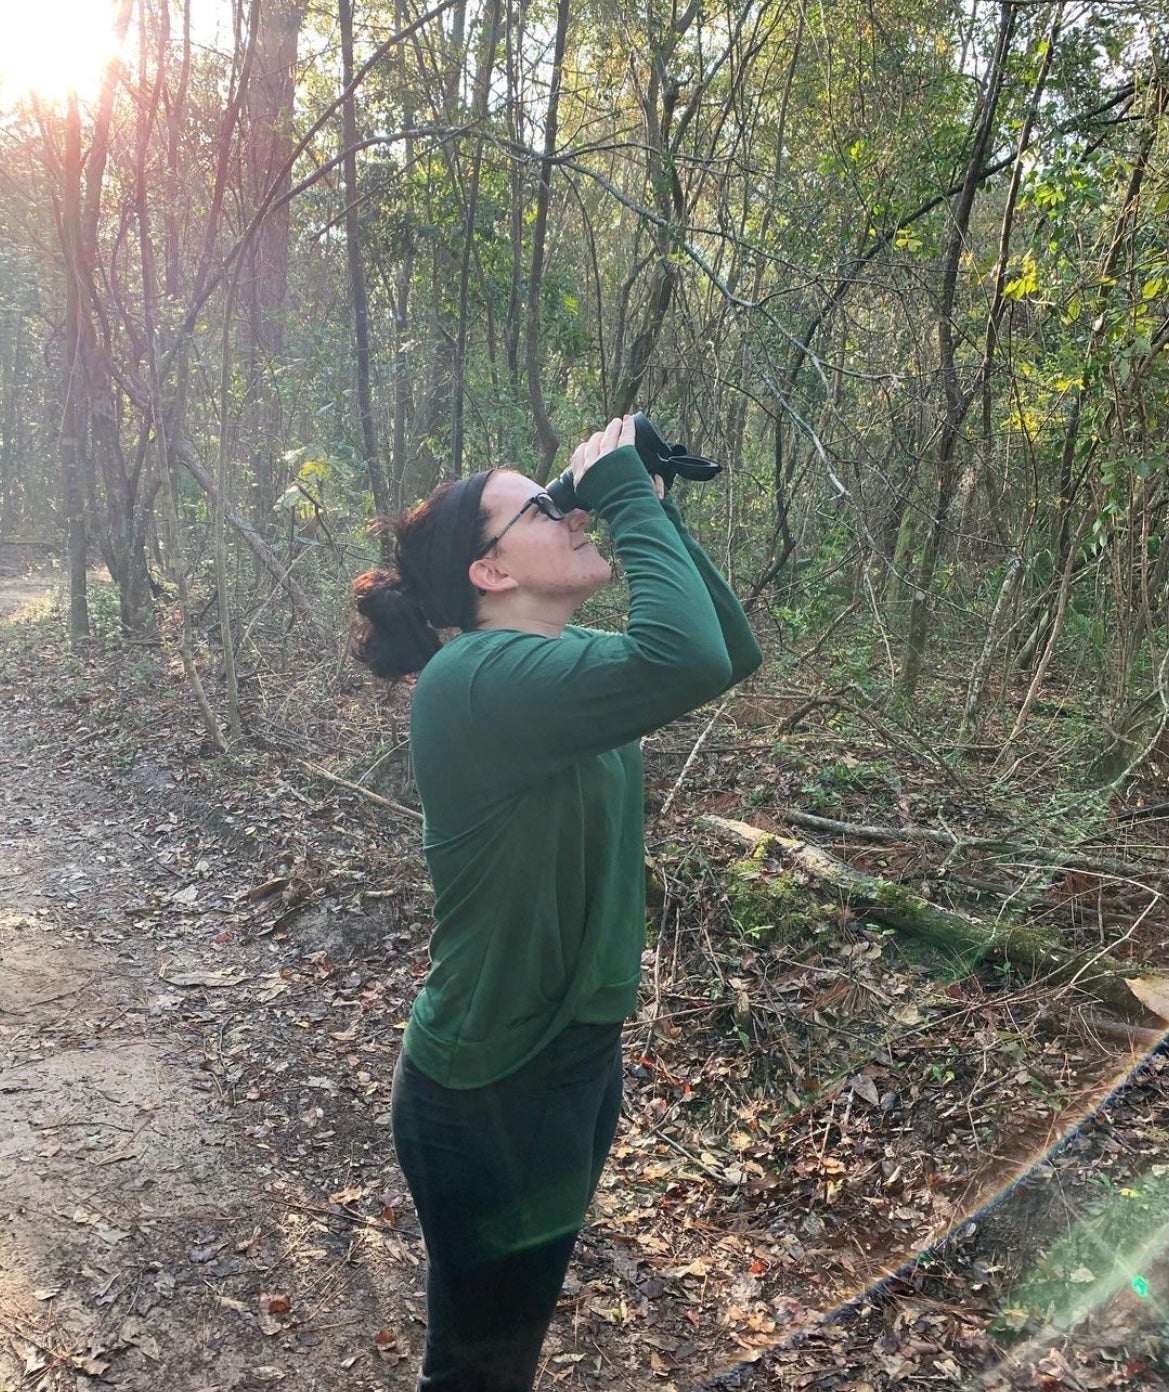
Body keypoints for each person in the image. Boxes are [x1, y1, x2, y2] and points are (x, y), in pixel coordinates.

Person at [352, 414, 761, 1391]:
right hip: (490, 1086)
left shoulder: (559, 667)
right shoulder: (468, 680)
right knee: (477, 1369)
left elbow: (726, 651)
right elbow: (688, 658)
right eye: (542, 507)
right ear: (491, 573)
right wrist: (616, 493)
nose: (568, 511)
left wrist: (647, 507)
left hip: (572, 1059)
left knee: (505, 1356)